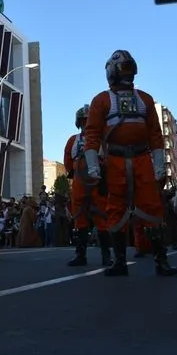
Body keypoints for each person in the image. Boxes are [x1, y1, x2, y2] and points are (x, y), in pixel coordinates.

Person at [83, 50, 177, 277]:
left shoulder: (144, 99)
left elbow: (155, 135)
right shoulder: (101, 100)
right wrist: (93, 166)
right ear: (112, 73)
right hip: (115, 161)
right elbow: (92, 134)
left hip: (141, 159)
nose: (128, 75)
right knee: (115, 208)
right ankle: (120, 261)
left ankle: (161, 260)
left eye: (130, 70)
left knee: (152, 206)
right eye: (124, 70)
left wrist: (159, 165)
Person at [64, 105, 112, 267]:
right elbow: (67, 160)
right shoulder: (73, 140)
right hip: (79, 181)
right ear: (79, 123)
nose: (86, 123)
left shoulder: (102, 139)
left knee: (102, 217)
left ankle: (106, 255)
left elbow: (108, 158)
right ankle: (81, 255)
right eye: (84, 121)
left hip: (97, 180)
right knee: (79, 218)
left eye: (89, 120)